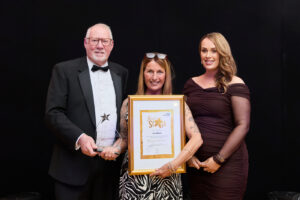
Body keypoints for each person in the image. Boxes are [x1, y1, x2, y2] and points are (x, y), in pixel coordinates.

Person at [103, 52, 203, 200]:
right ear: (143, 73)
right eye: (150, 71)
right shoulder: (129, 104)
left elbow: (197, 138)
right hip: (135, 179)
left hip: (168, 177)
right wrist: (115, 150)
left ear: (166, 75)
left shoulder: (177, 105)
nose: (154, 77)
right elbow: (124, 139)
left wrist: (173, 165)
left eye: (160, 72)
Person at [45, 23, 128, 200]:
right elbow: (53, 113)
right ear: (85, 42)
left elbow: (124, 116)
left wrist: (118, 146)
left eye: (104, 41)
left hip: (109, 170)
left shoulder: (121, 73)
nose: (100, 46)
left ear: (111, 45)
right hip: (72, 169)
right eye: (95, 40)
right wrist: (80, 138)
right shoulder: (64, 70)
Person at [183, 32, 251, 200]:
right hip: (197, 167)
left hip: (228, 166)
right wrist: (189, 155)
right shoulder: (190, 84)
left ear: (222, 53)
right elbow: (181, 123)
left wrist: (218, 159)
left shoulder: (235, 83)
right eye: (204, 50)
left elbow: (243, 125)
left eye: (214, 51)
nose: (208, 55)